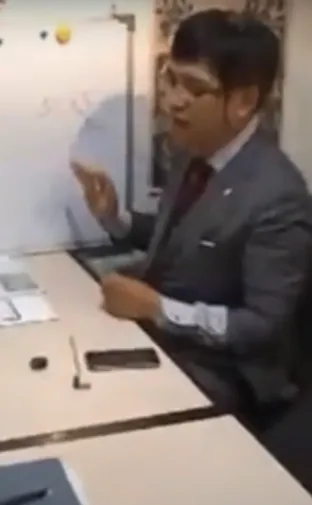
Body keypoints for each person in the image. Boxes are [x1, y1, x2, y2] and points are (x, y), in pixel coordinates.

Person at [72, 10, 312, 415]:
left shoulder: (278, 195)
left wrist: (157, 309)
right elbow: (188, 239)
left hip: (229, 373)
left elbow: (263, 325)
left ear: (243, 101)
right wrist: (117, 218)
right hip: (167, 340)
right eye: (171, 79)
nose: (172, 100)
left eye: (194, 87)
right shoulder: (192, 151)